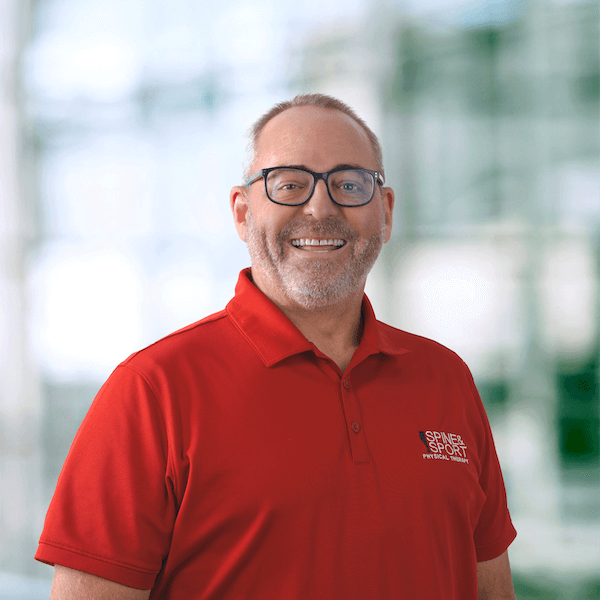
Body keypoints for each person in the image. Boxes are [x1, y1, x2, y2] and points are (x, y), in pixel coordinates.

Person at [36, 93, 517, 599]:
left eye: (349, 185)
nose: (319, 208)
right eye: (289, 184)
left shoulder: (445, 378)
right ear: (242, 214)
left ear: (387, 212)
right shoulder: (152, 391)